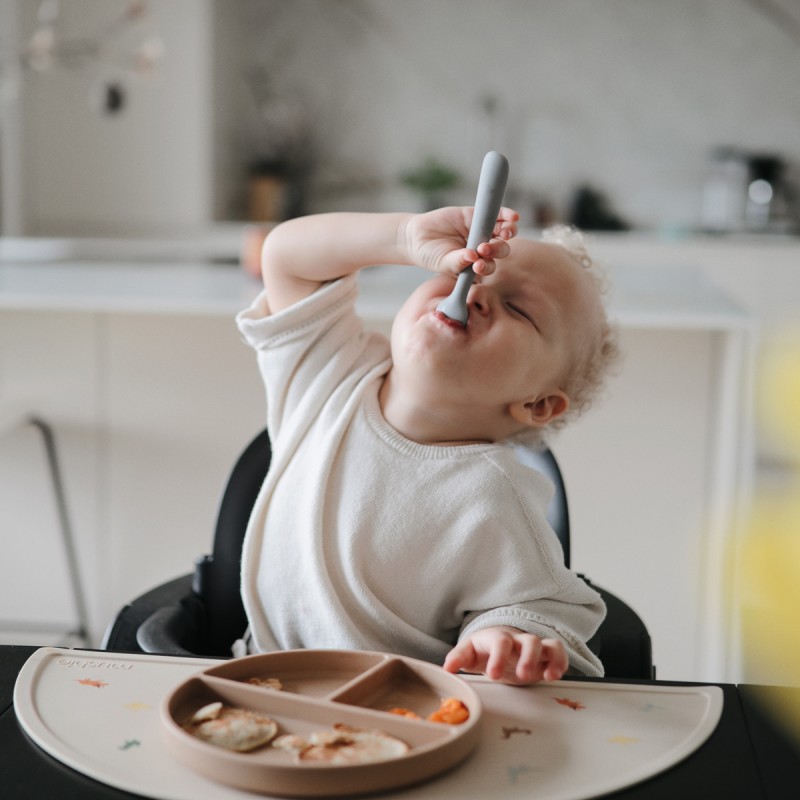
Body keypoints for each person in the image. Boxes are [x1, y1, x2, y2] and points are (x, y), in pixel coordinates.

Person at [235, 205, 619, 684]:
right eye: (465, 269)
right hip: (254, 682)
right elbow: (284, 255)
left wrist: (501, 636)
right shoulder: (328, 372)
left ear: (538, 404)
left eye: (519, 308)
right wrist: (402, 235)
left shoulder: (498, 498)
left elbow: (546, 610)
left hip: (396, 715)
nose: (473, 291)